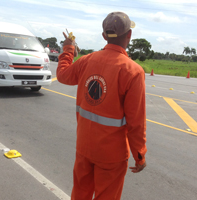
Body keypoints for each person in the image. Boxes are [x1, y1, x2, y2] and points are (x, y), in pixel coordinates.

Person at [57, 11, 147, 200]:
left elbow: (63, 75)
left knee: (80, 194)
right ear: (129, 35)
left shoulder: (86, 61)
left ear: (104, 36)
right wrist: (139, 155)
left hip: (84, 147)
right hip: (111, 155)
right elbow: (136, 122)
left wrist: (68, 50)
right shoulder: (133, 71)